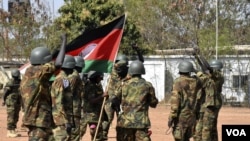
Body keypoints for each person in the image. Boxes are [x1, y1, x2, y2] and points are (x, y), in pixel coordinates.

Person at [20, 34, 66, 141]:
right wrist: (64, 41)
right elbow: (58, 63)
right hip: (38, 119)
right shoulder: (41, 70)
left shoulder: (29, 71)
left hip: (38, 118)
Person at [102, 44, 144, 140]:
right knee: (106, 120)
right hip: (110, 100)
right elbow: (117, 65)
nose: (120, 66)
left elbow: (140, 62)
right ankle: (103, 137)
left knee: (123, 122)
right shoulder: (113, 70)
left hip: (122, 101)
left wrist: (138, 51)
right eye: (119, 64)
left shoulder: (129, 72)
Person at [114, 60, 158, 141]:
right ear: (142, 71)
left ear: (130, 71)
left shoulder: (123, 84)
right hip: (141, 123)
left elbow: (115, 100)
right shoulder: (147, 85)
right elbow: (153, 103)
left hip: (125, 123)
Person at [168, 61, 202, 141]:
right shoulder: (196, 81)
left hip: (181, 118)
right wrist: (196, 71)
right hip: (192, 117)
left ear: (180, 70)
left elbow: (175, 101)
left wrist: (172, 117)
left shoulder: (178, 82)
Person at [51, 55, 76, 141]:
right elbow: (59, 101)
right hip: (60, 119)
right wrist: (65, 120)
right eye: (73, 67)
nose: (73, 70)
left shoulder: (65, 79)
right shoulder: (61, 79)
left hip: (64, 117)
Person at [84, 70, 108, 141]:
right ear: (95, 77)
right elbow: (92, 101)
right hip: (92, 115)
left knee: (97, 134)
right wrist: (102, 96)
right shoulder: (90, 86)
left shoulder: (95, 86)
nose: (101, 79)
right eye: (100, 77)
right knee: (97, 135)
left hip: (96, 114)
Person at [2, 69, 22, 137]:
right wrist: (3, 100)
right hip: (11, 102)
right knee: (11, 116)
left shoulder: (20, 81)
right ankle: (9, 131)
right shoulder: (10, 82)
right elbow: (5, 92)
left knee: (16, 116)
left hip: (18, 101)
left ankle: (13, 129)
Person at [69, 56, 85, 141]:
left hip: (74, 109)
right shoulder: (74, 76)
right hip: (73, 110)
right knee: (75, 134)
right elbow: (68, 92)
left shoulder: (74, 75)